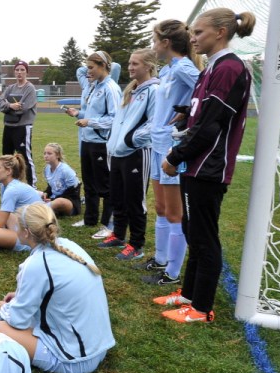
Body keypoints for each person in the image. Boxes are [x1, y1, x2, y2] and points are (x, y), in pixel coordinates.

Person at [157, 8, 256, 323]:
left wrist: (175, 156)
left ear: (220, 33)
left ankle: (201, 308)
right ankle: (188, 295)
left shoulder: (229, 67)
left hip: (208, 167)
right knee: (192, 230)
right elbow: (204, 113)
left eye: (198, 32)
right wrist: (187, 111)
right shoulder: (213, 68)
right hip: (196, 165)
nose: (193, 38)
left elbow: (213, 124)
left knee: (204, 236)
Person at [0, 203, 114, 373]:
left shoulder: (36, 264)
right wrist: (20, 298)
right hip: (99, 348)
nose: (13, 228)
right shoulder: (68, 246)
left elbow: (17, 320)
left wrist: (3, 308)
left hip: (76, 360)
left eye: (16, 226)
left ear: (26, 232)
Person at [139, 20, 201, 286]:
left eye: (154, 40)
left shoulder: (185, 67)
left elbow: (205, 91)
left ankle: (173, 273)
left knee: (176, 213)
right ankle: (161, 258)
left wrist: (188, 113)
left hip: (173, 147)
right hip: (157, 143)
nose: (153, 46)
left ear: (165, 42)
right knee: (161, 207)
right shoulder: (167, 70)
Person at [98, 49, 159, 261]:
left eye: (135, 64)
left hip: (136, 153)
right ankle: (118, 235)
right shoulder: (131, 89)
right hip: (117, 153)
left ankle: (136, 244)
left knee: (135, 199)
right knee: (117, 197)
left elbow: (154, 123)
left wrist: (130, 140)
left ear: (149, 67)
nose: (130, 67)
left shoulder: (154, 90)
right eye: (130, 63)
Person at [68, 51, 122, 239]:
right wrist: (79, 115)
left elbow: (115, 119)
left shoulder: (110, 88)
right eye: (87, 67)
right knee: (89, 183)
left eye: (91, 67)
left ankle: (108, 224)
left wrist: (90, 122)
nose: (87, 71)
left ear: (103, 66)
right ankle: (90, 218)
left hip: (101, 142)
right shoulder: (93, 86)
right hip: (87, 140)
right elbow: (89, 112)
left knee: (105, 186)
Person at [0, 60, 37, 187]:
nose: (19, 72)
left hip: (23, 127)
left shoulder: (29, 88)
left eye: (22, 70)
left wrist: (9, 108)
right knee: (6, 156)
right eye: (17, 70)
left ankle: (31, 183)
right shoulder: (10, 88)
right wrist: (11, 105)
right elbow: (1, 103)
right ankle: (6, 181)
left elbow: (24, 107)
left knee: (25, 157)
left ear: (26, 72)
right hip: (8, 126)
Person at [39, 143, 81, 218]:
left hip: (69, 201)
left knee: (59, 202)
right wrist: (46, 193)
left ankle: (41, 211)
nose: (46, 156)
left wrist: (53, 199)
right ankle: (46, 208)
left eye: (49, 153)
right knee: (37, 193)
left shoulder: (66, 170)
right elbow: (51, 186)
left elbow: (74, 191)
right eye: (44, 153)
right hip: (53, 198)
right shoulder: (47, 169)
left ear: (57, 155)